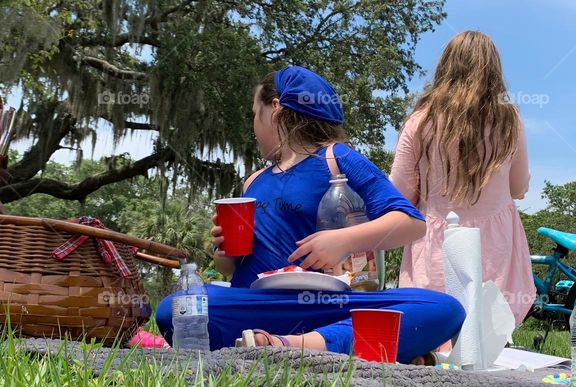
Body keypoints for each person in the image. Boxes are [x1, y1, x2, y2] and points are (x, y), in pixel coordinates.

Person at [156, 66, 465, 363]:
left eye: (254, 114)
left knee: (445, 309)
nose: (253, 126)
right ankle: (349, 347)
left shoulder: (337, 157)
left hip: (328, 305)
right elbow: (230, 270)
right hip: (258, 305)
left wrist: (342, 241)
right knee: (174, 308)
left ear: (275, 108)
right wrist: (224, 252)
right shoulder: (253, 182)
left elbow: (410, 222)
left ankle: (289, 346)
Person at [390, 31, 536, 325]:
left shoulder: (420, 120)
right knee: (488, 333)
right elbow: (518, 188)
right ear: (494, 71)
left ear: (445, 66)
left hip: (437, 239)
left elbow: (399, 193)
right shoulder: (510, 120)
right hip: (495, 242)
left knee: (436, 328)